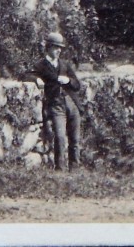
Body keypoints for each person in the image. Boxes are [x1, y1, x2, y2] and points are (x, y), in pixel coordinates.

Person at [30, 32, 82, 170]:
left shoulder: (65, 65)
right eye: (55, 47)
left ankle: (75, 168)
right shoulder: (41, 65)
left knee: (75, 138)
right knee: (60, 137)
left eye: (60, 48)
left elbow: (77, 85)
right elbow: (25, 75)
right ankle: (60, 168)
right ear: (48, 48)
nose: (59, 50)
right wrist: (37, 79)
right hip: (56, 104)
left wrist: (68, 80)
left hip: (71, 103)